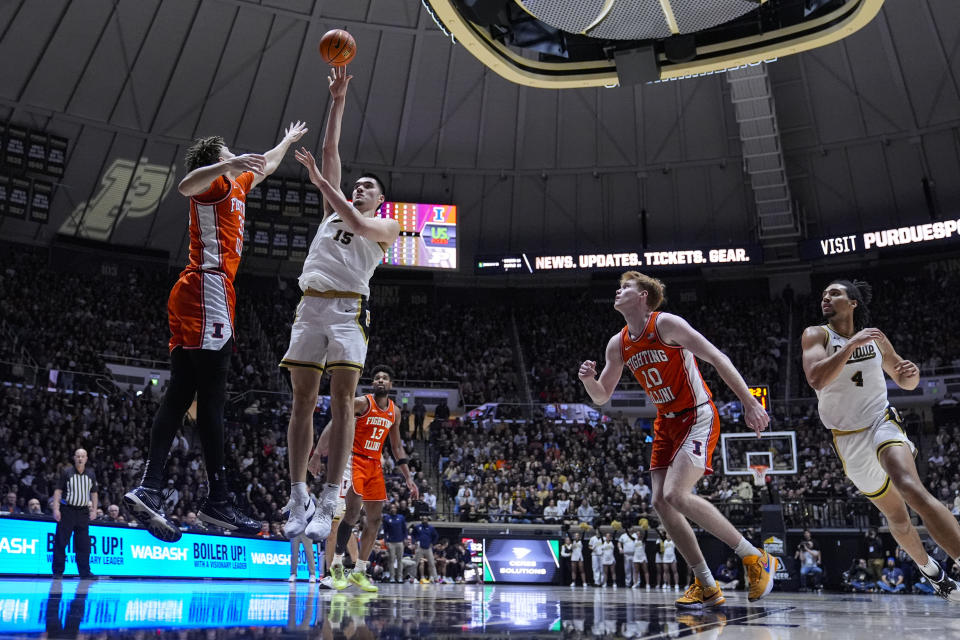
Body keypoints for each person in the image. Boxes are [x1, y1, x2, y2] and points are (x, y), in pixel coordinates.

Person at [125, 122, 306, 542]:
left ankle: (150, 487)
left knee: (181, 393)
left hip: (195, 292)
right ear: (217, 161)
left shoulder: (238, 181)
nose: (236, 154)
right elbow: (185, 185)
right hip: (208, 286)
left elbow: (268, 165)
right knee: (213, 397)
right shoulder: (214, 186)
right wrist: (230, 163)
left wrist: (286, 141)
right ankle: (218, 498)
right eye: (227, 152)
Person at [578, 271, 777, 609]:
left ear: (643, 296)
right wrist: (588, 380)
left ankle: (754, 557)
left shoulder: (666, 324)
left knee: (675, 494)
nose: (618, 290)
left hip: (697, 415)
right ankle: (706, 584)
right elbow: (602, 396)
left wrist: (749, 400)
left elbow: (717, 357)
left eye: (626, 287)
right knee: (660, 502)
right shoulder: (619, 343)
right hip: (666, 424)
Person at [282, 66, 401, 542]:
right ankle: (297, 496)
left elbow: (350, 211)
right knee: (301, 402)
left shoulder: (387, 228)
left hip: (350, 309)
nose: (360, 188)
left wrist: (320, 182)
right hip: (310, 304)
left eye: (369, 186)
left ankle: (331, 493)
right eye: (359, 184)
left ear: (382, 199)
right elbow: (330, 151)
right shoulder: (334, 208)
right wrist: (338, 98)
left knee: (344, 400)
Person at [801, 278, 960, 601]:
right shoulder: (815, 334)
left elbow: (904, 380)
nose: (826, 298)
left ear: (853, 303)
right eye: (824, 295)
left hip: (881, 421)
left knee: (910, 486)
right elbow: (816, 378)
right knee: (898, 519)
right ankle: (932, 572)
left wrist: (910, 373)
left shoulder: (875, 338)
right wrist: (850, 346)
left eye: (834, 293)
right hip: (847, 439)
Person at [311, 365, 418, 591]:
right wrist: (318, 453)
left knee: (375, 520)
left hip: (374, 465)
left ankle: (359, 571)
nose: (380, 380)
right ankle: (335, 570)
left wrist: (408, 477)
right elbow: (335, 422)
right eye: (377, 378)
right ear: (373, 383)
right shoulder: (361, 402)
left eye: (385, 378)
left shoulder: (394, 412)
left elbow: (396, 446)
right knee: (343, 518)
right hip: (352, 461)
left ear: (391, 385)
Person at [52, 448, 98, 579]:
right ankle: (57, 571)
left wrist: (94, 510)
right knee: (61, 541)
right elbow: (58, 491)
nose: (80, 458)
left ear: (86, 458)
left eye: (83, 456)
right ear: (74, 457)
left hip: (83, 512)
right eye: (78, 456)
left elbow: (94, 493)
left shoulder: (91, 474)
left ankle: (85, 573)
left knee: (83, 544)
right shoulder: (66, 472)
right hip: (67, 510)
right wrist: (56, 509)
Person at [382, 503, 408, 583]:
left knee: (400, 560)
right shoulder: (387, 518)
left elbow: (405, 529)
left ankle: (399, 577)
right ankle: (392, 577)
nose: (393, 509)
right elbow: (385, 531)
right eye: (391, 508)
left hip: (400, 542)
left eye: (394, 508)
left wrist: (405, 539)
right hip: (391, 542)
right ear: (390, 509)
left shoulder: (401, 517)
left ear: (396, 509)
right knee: (391, 560)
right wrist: (386, 541)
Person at [411, 515, 439, 583]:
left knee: (432, 563)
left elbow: (436, 536)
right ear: (421, 520)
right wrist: (414, 542)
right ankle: (412, 577)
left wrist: (433, 543)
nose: (424, 520)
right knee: (415, 563)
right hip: (419, 547)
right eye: (423, 519)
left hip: (428, 548)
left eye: (426, 519)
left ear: (428, 520)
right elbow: (413, 535)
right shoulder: (417, 527)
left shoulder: (431, 528)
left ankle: (435, 578)